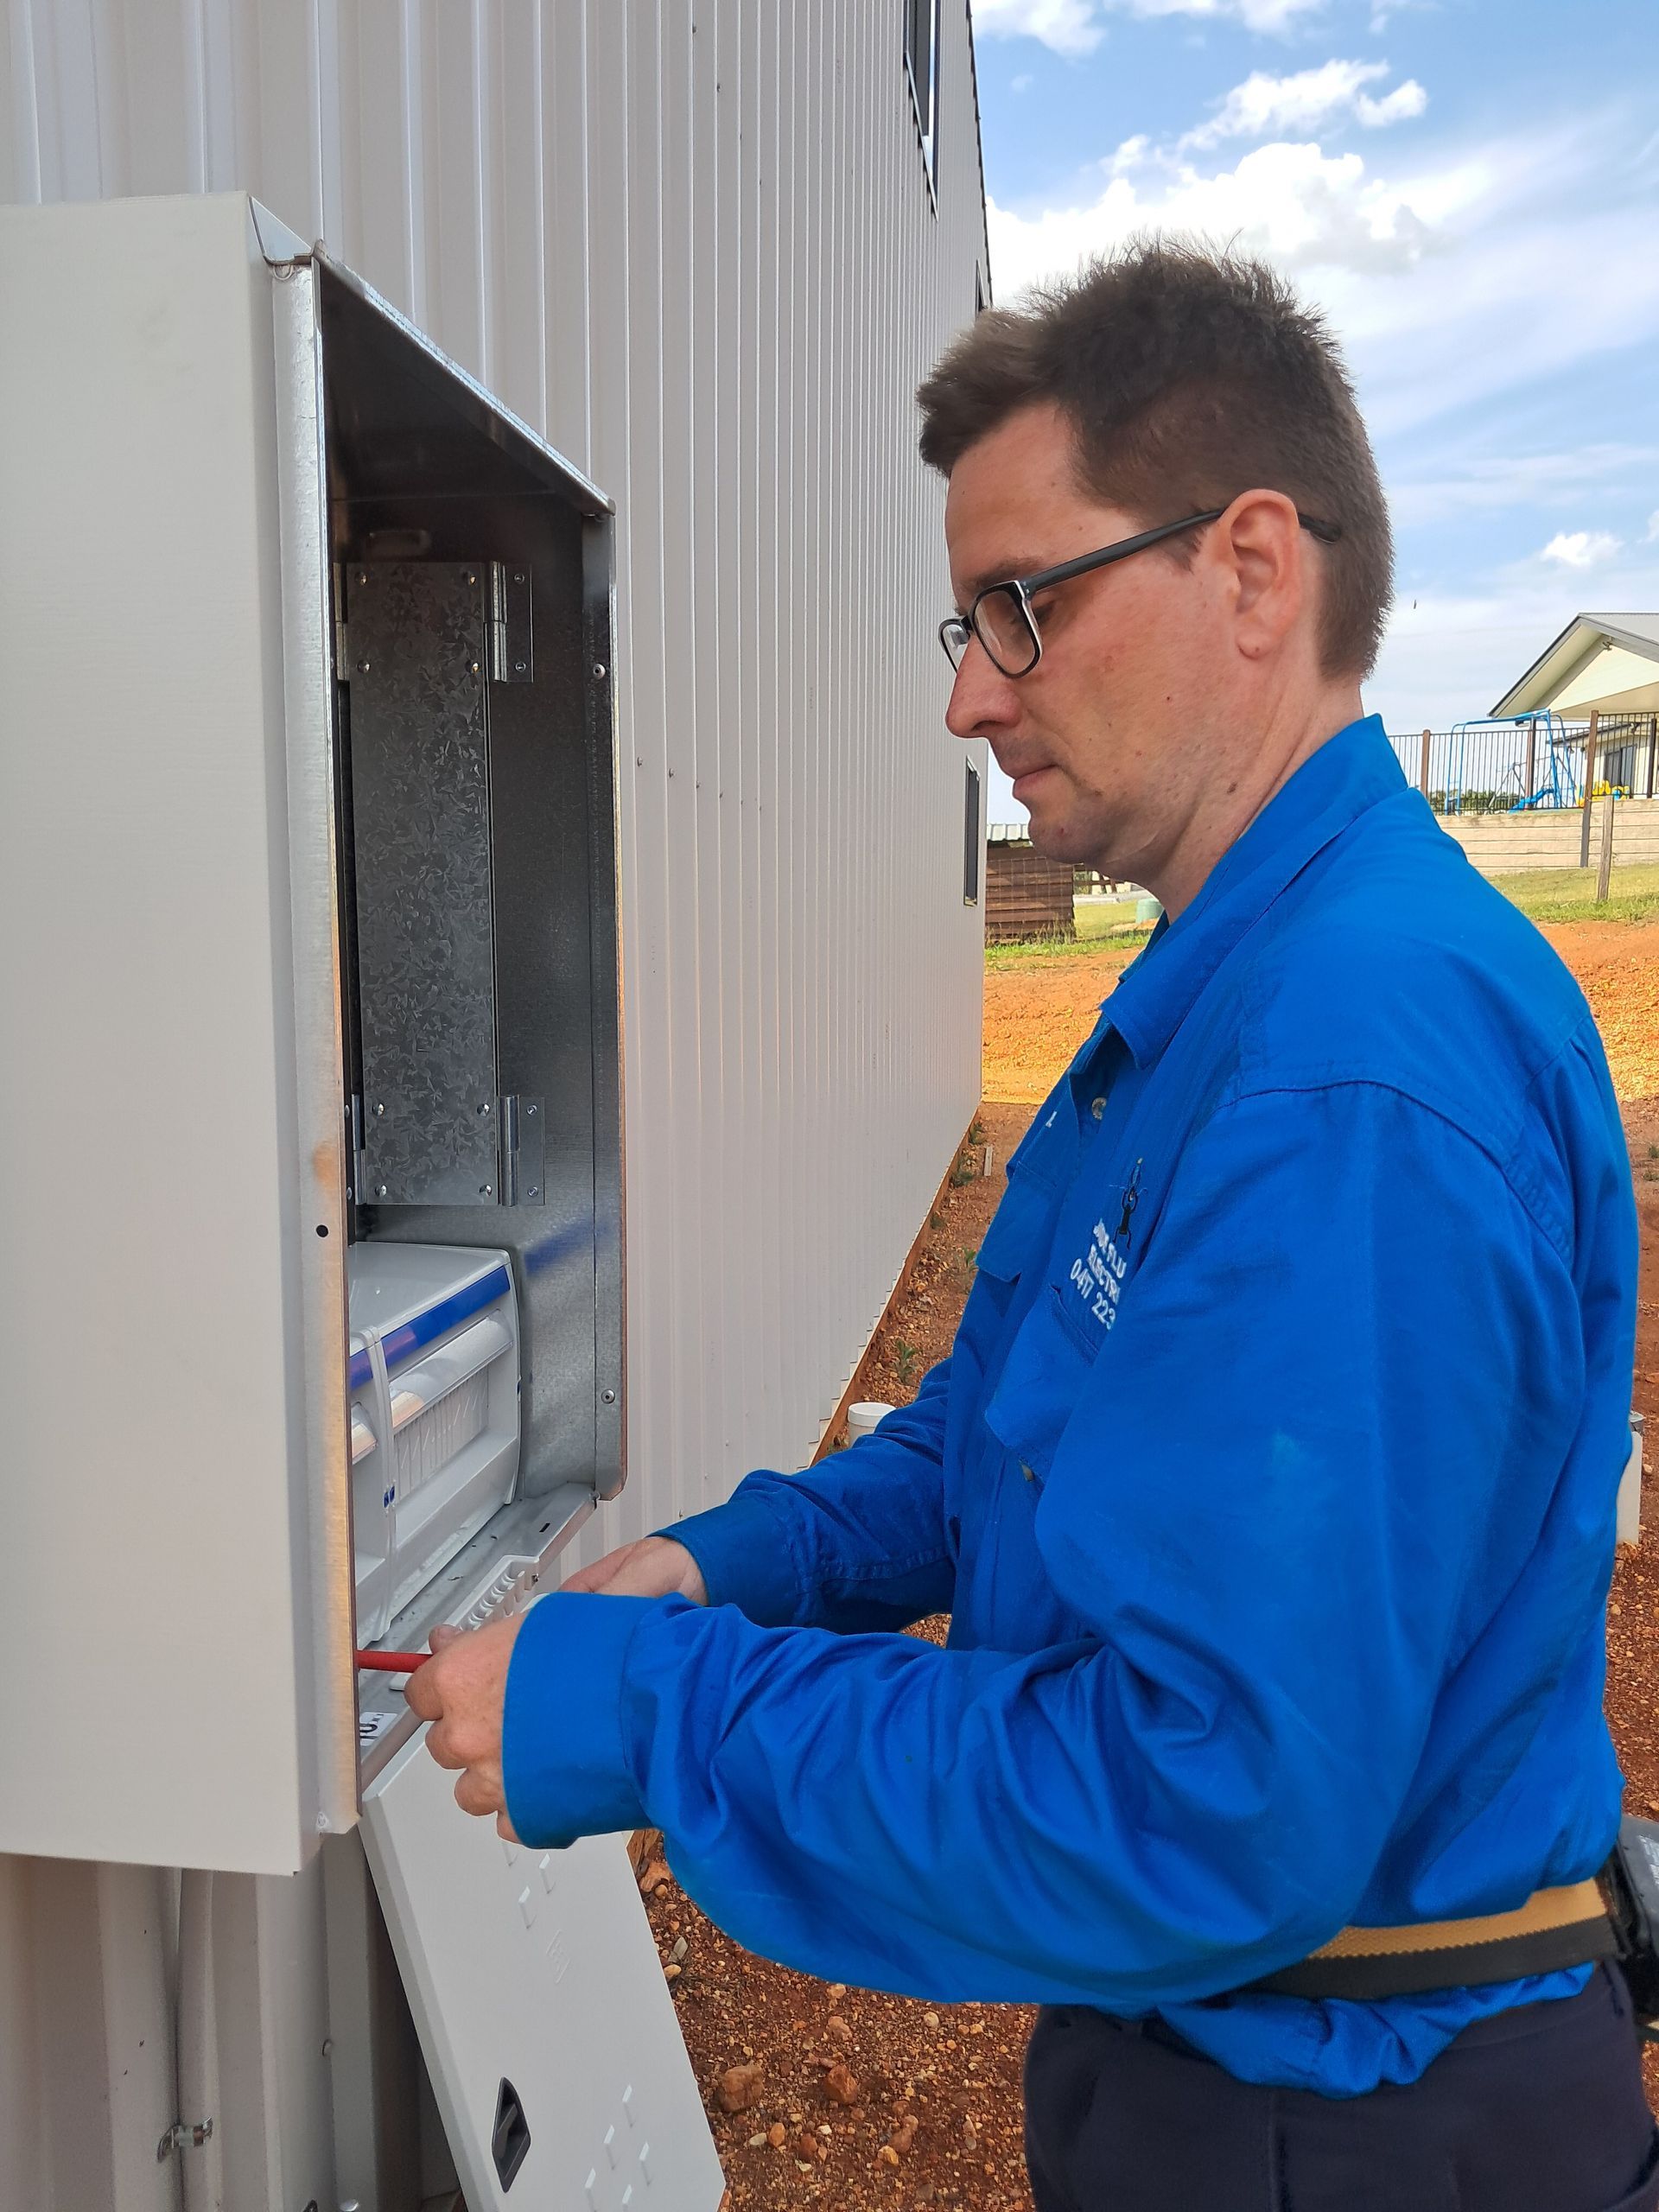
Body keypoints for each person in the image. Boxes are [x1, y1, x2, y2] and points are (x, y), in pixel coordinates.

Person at [409, 242, 1653, 2210]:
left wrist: (635, 1707)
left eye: (1019, 606)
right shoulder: (1224, 997)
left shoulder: (1353, 1068)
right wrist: (722, 1571)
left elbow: (1201, 1797)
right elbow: (996, 1435)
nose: (972, 693)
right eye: (962, 624)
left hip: (1357, 2127)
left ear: (1253, 569)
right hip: (1238, 2079)